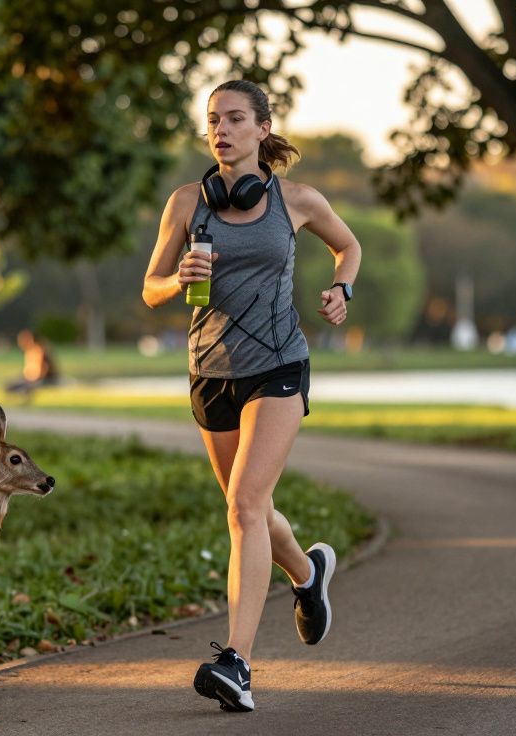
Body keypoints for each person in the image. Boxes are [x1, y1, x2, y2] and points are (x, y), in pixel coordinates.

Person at [142, 79, 362, 713]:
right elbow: (151, 287)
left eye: (235, 118)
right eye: (214, 120)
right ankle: (309, 573)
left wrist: (341, 289)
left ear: (263, 129)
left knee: (243, 505)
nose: (222, 130)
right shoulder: (187, 202)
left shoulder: (297, 200)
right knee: (253, 512)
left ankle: (236, 663)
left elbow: (348, 247)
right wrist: (175, 278)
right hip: (210, 372)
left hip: (279, 365)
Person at [4, 329, 57, 403]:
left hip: (43, 379)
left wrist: (34, 378)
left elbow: (45, 368)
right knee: (9, 385)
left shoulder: (39, 350)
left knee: (27, 387)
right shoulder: (29, 351)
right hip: (29, 378)